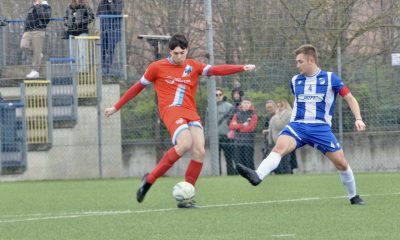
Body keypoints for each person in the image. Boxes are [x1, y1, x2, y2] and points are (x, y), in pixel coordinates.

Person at [104, 34, 256, 208]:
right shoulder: (156, 67)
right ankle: (149, 179)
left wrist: (242, 67)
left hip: (190, 113)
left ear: (187, 51)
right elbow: (137, 87)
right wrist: (116, 107)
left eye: (182, 53)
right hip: (171, 111)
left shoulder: (193, 66)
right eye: (175, 53)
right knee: (185, 144)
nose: (178, 57)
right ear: (170, 51)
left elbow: (216, 70)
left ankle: (186, 196)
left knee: (199, 150)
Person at [236, 44, 366, 205]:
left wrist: (358, 118)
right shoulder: (295, 80)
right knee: (278, 148)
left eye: (300, 61)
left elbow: (350, 98)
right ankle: (257, 175)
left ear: (311, 60)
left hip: (320, 128)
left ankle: (353, 196)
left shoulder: (331, 78)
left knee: (341, 163)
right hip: (297, 126)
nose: (297, 65)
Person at [20, 0, 51, 79]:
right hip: (28, 30)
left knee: (37, 51)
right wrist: (25, 29)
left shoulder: (46, 6)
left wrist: (38, 7)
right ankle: (38, 55)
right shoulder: (32, 6)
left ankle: (35, 71)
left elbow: (45, 17)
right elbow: (28, 19)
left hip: (38, 31)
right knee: (23, 46)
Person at [63, 0, 94, 73]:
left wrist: (81, 23)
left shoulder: (85, 6)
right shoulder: (69, 6)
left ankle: (83, 70)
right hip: (71, 32)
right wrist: (67, 23)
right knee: (73, 53)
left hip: (82, 31)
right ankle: (73, 70)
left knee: (82, 52)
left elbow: (91, 17)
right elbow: (65, 17)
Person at [229, 96, 258, 170]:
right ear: (241, 104)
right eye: (245, 103)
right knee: (239, 162)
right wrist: (242, 125)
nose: (246, 104)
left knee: (249, 161)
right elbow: (231, 126)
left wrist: (238, 127)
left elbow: (250, 128)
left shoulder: (253, 115)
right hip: (238, 141)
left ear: (250, 104)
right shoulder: (236, 115)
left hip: (248, 142)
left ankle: (251, 175)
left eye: (248, 103)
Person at [97, 0, 124, 75]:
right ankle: (103, 68)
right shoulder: (102, 2)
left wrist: (110, 2)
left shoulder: (119, 1)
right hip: (103, 28)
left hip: (114, 29)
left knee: (111, 48)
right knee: (102, 48)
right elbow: (98, 13)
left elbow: (116, 12)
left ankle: (109, 68)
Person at [269, 99, 295, 174]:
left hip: (284, 139)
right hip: (276, 140)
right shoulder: (279, 114)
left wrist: (276, 116)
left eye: (281, 106)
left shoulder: (288, 114)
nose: (279, 108)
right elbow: (271, 128)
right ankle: (280, 173)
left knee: (285, 159)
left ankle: (286, 173)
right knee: (278, 159)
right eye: (278, 106)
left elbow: (280, 125)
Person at [216, 87, 235, 175]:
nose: (218, 96)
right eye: (216, 95)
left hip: (227, 137)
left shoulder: (229, 106)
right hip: (215, 138)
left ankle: (230, 175)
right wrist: (207, 133)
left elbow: (233, 121)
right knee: (216, 160)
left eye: (220, 94)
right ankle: (217, 175)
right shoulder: (210, 107)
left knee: (229, 159)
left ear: (223, 95)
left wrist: (231, 133)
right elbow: (207, 121)